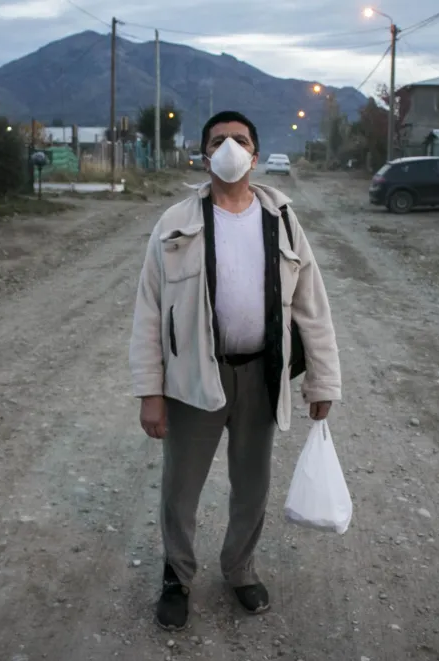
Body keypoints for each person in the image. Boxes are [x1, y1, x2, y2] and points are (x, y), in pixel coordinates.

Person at [129, 110, 342, 631]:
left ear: (255, 152)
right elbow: (150, 310)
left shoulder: (282, 220)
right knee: (181, 487)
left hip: (261, 376)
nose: (229, 147)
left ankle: (240, 570)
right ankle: (177, 577)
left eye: (239, 140)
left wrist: (322, 379)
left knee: (252, 485)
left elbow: (312, 306)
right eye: (218, 140)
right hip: (194, 379)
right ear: (204, 154)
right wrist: (149, 392)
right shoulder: (176, 222)